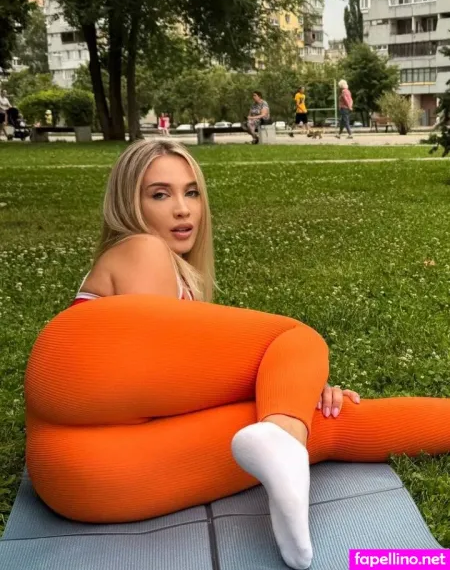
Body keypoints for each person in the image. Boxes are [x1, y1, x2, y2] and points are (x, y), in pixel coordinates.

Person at [25, 139, 450, 570]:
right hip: (79, 368)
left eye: (192, 192)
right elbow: (161, 383)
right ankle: (286, 433)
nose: (183, 209)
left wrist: (293, 398)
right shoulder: (141, 249)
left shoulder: (175, 276)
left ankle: (286, 442)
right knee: (296, 339)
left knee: (323, 421)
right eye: (160, 194)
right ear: (127, 204)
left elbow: (177, 385)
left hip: (82, 482)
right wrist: (292, 382)